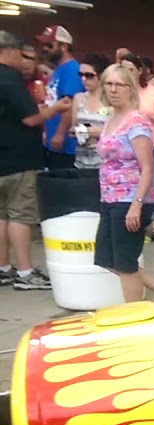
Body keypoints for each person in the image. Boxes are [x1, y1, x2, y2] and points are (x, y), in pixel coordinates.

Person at [93, 63, 154, 302]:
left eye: (120, 84)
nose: (114, 89)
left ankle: (135, 311)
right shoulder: (111, 118)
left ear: (130, 88)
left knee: (126, 263)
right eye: (109, 84)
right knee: (107, 259)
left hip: (130, 198)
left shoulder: (136, 121)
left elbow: (147, 167)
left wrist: (137, 204)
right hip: (109, 196)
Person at [0, 30, 71, 290]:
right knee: (20, 215)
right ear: (8, 51)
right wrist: (56, 109)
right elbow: (29, 118)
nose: (24, 59)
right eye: (21, 53)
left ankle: (3, 267)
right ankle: (26, 272)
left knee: (1, 214)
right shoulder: (9, 79)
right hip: (18, 158)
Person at [120, 53, 154, 240]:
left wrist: (152, 117)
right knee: (132, 184)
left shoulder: (153, 91)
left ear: (140, 71)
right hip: (128, 147)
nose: (127, 73)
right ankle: (135, 222)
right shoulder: (120, 93)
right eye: (123, 69)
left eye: (131, 69)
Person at [37, 24, 83, 170]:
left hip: (66, 144)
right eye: (43, 45)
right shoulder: (58, 69)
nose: (45, 49)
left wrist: (60, 134)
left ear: (64, 46)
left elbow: (69, 104)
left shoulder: (72, 69)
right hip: (53, 136)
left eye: (49, 45)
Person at [71, 53, 110, 170]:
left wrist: (96, 132)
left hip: (106, 163)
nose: (84, 79)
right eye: (81, 75)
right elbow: (74, 127)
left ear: (101, 75)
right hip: (81, 161)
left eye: (89, 75)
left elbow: (120, 132)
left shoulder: (112, 100)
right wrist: (77, 131)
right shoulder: (79, 98)